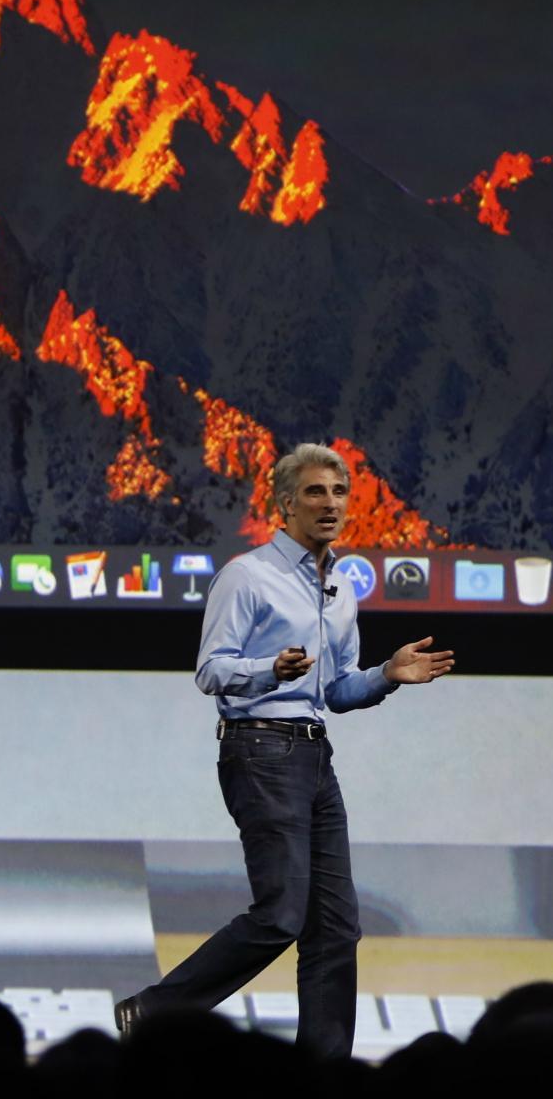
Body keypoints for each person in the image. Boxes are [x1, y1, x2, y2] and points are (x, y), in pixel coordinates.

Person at [115, 442, 456, 1058]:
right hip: (260, 750)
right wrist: (270, 670)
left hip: (314, 756)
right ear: (284, 504)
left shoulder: (341, 589)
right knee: (280, 914)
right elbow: (211, 671)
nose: (330, 505)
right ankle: (157, 1013)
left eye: (339, 493)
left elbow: (336, 691)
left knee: (336, 928)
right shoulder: (248, 577)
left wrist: (386, 674)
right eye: (315, 493)